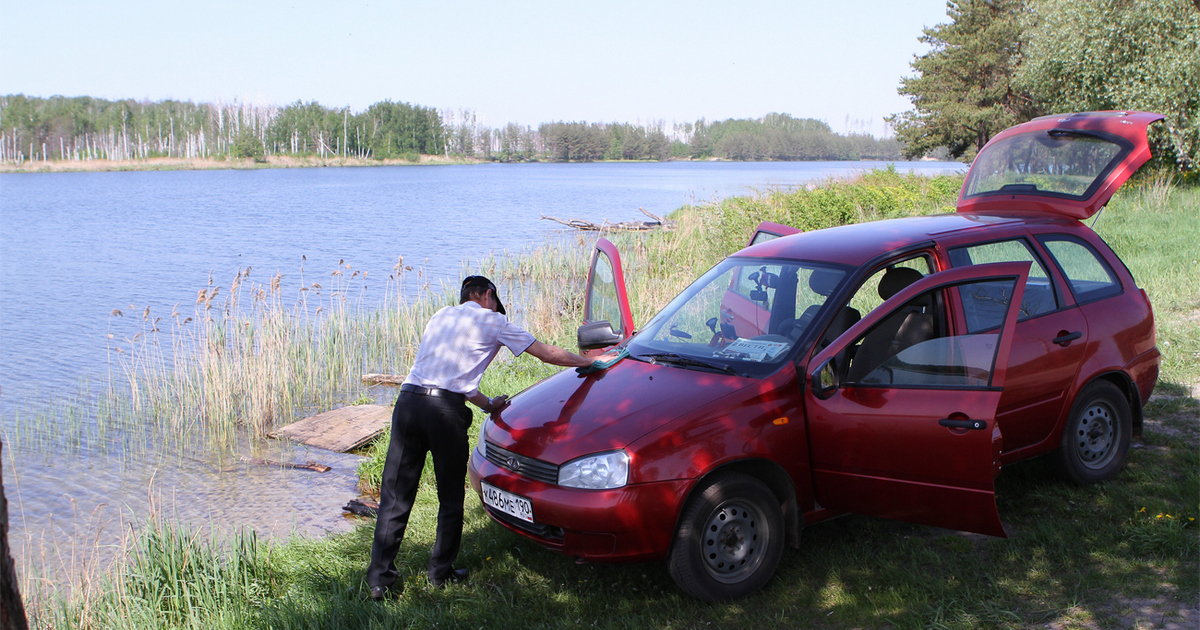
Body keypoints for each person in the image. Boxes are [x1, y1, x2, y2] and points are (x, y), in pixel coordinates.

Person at [367, 275, 599, 599]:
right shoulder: (494, 321)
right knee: (449, 497)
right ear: (488, 295)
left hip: (407, 403)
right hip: (443, 413)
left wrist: (489, 405)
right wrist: (588, 363)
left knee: (395, 494)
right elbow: (546, 353)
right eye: (493, 300)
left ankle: (379, 580)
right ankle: (440, 573)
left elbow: (455, 378)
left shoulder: (440, 316)